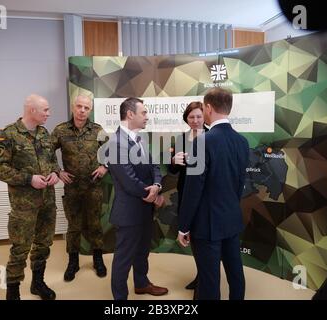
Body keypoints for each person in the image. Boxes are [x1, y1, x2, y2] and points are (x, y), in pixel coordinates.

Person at [177, 88, 249, 300]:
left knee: (209, 280)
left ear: (208, 107)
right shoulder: (242, 142)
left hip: (206, 224)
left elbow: (193, 190)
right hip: (231, 219)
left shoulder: (202, 142)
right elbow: (239, 184)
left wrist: (183, 226)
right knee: (236, 272)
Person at [0, 94, 60, 300]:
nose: (49, 113)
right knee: (20, 247)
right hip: (24, 205)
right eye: (45, 110)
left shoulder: (44, 133)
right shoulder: (9, 134)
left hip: (47, 200)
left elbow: (52, 161)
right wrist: (29, 179)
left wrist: (56, 173)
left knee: (43, 244)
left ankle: (37, 283)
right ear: (32, 111)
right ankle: (13, 292)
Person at [104, 97, 168, 300]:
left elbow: (154, 167)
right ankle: (120, 299)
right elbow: (128, 181)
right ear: (130, 114)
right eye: (144, 113)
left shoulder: (139, 139)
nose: (147, 117)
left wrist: (157, 187)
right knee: (124, 259)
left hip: (144, 210)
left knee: (142, 252)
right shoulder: (115, 144)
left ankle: (141, 284)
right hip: (129, 212)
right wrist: (152, 196)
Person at [51, 95, 108, 281]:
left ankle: (98, 259)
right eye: (79, 106)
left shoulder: (98, 130)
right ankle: (73, 262)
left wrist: (104, 166)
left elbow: (111, 151)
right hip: (72, 188)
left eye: (86, 108)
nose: (82, 110)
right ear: (73, 107)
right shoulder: (60, 130)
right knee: (73, 227)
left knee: (95, 224)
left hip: (93, 187)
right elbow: (46, 153)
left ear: (90, 110)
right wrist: (57, 171)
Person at [168, 101, 207, 290]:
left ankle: (206, 278)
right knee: (191, 234)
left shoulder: (211, 137)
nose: (195, 120)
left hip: (206, 197)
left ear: (204, 116)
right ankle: (201, 275)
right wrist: (173, 161)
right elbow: (173, 170)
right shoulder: (181, 139)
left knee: (204, 238)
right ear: (186, 118)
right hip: (186, 193)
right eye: (191, 117)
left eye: (199, 116)